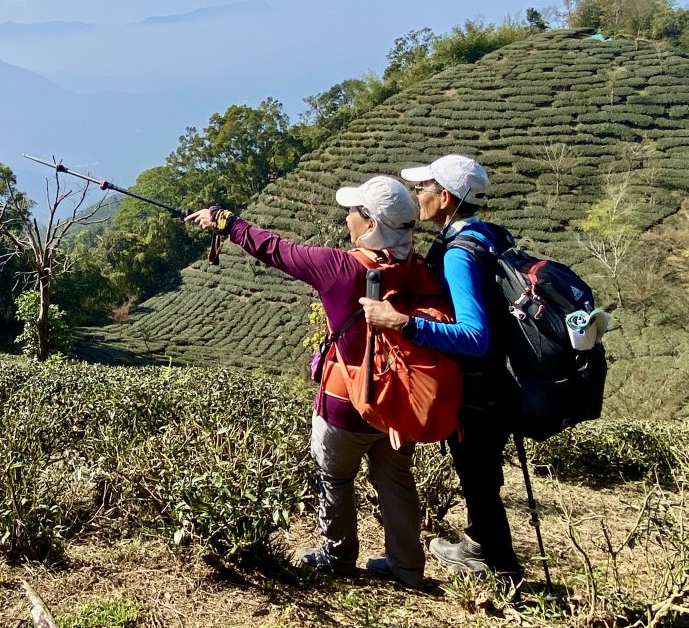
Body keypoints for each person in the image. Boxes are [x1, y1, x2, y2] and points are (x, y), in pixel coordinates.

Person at [185, 176, 425, 588]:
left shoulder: (341, 266)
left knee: (334, 478)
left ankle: (339, 557)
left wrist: (226, 221)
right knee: (397, 482)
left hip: (347, 400)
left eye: (354, 211)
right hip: (399, 402)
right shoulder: (420, 270)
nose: (347, 216)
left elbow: (276, 250)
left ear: (369, 225)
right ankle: (407, 568)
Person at [360, 154, 523, 581]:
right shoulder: (489, 234)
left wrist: (404, 323)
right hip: (497, 381)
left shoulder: (458, 254)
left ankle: (499, 570)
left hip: (479, 389)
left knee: (479, 480)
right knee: (480, 479)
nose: (418, 195)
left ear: (445, 197)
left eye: (423, 188)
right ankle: (480, 546)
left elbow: (474, 335)